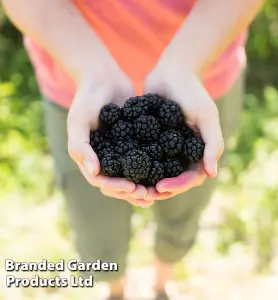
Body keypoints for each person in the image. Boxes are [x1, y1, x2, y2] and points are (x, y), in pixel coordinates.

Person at [2, 0, 264, 299]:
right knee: (94, 220)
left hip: (202, 81)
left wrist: (184, 64)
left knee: (184, 209)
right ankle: (115, 288)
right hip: (77, 87)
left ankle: (163, 282)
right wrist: (93, 72)